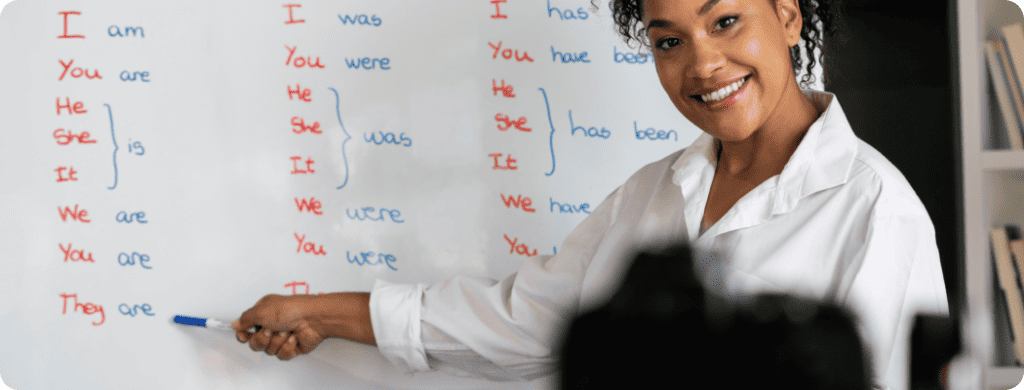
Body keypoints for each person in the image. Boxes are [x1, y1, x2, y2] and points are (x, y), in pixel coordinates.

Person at [233, 1, 949, 389]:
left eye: (725, 21)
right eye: (669, 41)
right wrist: (321, 313)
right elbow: (523, 322)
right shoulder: (654, 193)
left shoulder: (874, 209)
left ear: (788, 17)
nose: (702, 63)